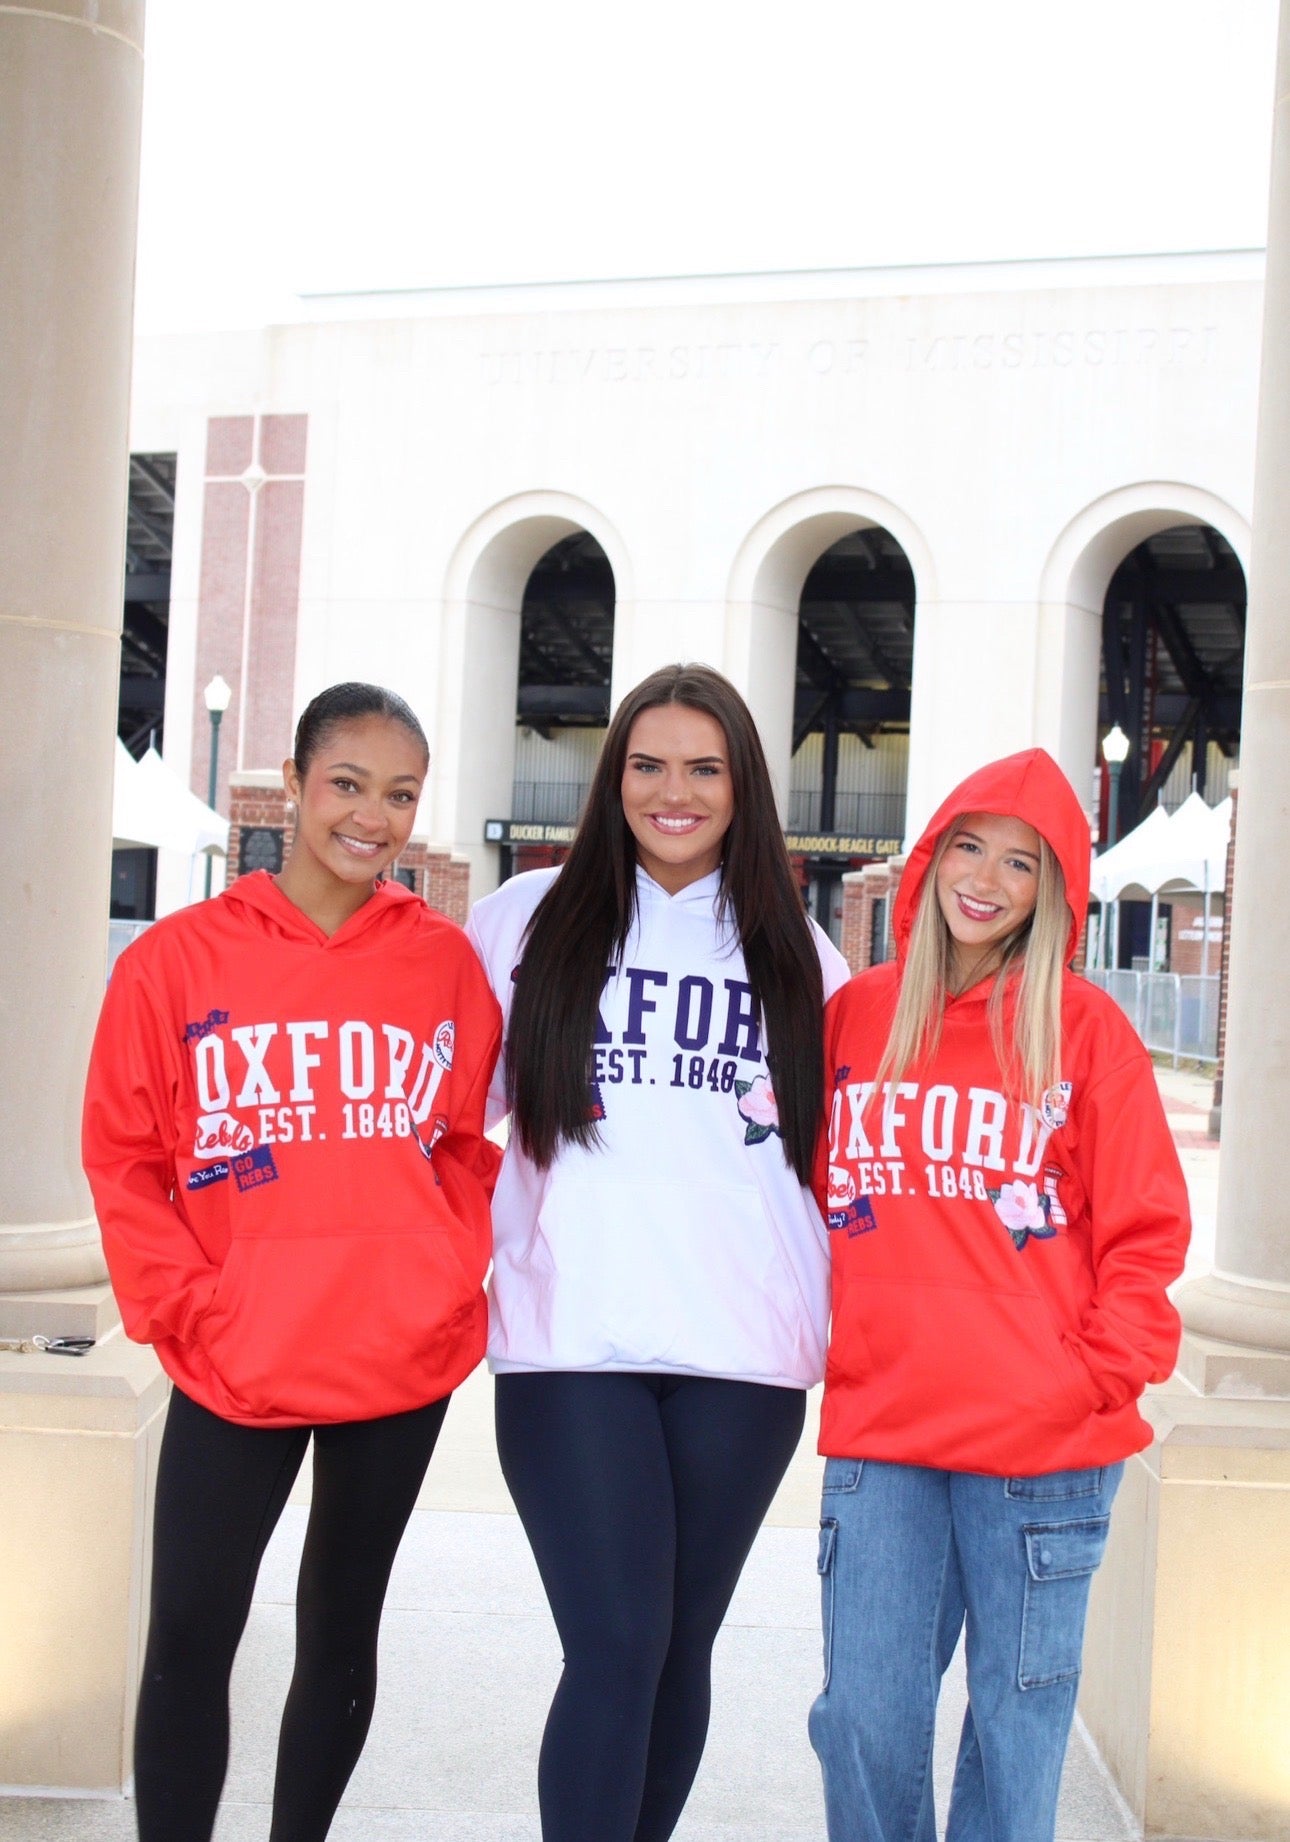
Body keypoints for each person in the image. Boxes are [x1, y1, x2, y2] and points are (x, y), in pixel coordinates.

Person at [82, 682, 502, 1842]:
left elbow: (466, 1148)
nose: (372, 817)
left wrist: (436, 1277)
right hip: (237, 1359)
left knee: (341, 1629)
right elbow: (123, 1159)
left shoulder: (445, 968)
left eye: (401, 794)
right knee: (191, 1636)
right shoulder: (173, 963)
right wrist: (191, 1308)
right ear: (296, 785)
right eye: (349, 785)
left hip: (397, 1359)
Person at [467, 662, 851, 1842]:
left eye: (703, 768)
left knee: (678, 1648)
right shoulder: (521, 920)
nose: (672, 792)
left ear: (743, 787)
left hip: (742, 1356)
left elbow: (849, 1165)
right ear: (612, 776)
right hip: (570, 1340)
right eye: (647, 765)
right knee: (617, 1639)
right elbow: (432, 1120)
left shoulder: (804, 956)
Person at [808, 747, 1191, 1842]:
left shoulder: (1083, 1031)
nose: (984, 879)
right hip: (885, 1433)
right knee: (862, 1722)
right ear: (929, 859)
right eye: (967, 847)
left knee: (1016, 1731)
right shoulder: (861, 1019)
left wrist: (1085, 1380)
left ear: (1050, 891)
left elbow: (1146, 1231)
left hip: (1043, 1446)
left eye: (1019, 864)